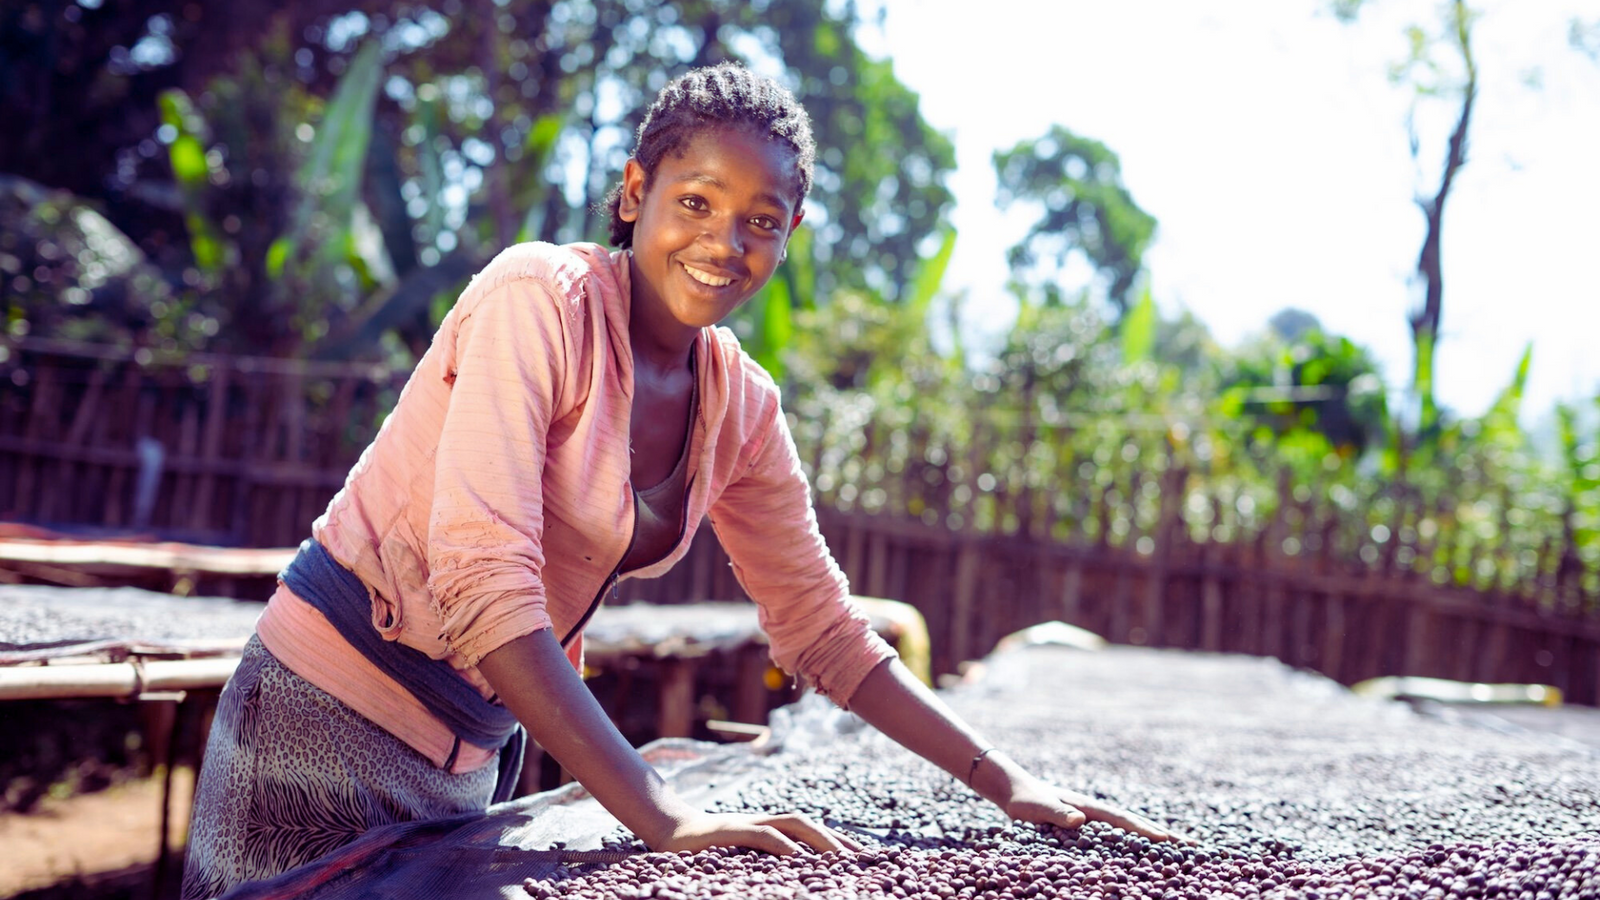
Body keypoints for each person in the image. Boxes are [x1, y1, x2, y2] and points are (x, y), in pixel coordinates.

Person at [181, 62, 1181, 900]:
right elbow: (485, 580)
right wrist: (663, 814)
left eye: (761, 219)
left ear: (789, 236)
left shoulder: (741, 406)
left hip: (473, 751)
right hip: (322, 714)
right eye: (694, 201)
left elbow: (821, 631)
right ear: (633, 195)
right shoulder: (539, 300)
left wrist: (1006, 783)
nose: (723, 241)